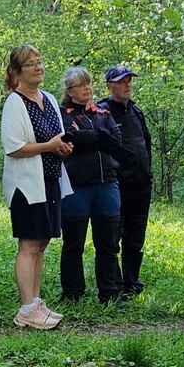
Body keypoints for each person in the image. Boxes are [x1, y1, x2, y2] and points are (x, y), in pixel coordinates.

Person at [0, 45, 72, 329]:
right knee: (29, 244)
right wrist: (49, 147)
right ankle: (26, 308)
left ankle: (36, 302)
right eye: (30, 64)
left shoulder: (49, 98)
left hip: (49, 181)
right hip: (26, 186)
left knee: (41, 243)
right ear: (17, 72)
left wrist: (62, 148)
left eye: (40, 62)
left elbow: (58, 137)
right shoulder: (14, 103)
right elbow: (13, 147)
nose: (38, 67)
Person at [58, 66, 124, 303]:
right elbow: (70, 137)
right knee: (73, 244)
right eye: (81, 85)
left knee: (108, 244)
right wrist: (100, 135)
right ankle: (72, 294)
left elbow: (116, 141)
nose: (87, 88)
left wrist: (92, 134)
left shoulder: (102, 112)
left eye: (89, 83)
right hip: (76, 187)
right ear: (69, 91)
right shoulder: (63, 113)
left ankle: (109, 293)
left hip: (107, 184)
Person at [104, 65, 156, 297]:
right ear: (109, 86)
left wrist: (148, 174)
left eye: (129, 80)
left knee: (136, 238)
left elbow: (146, 144)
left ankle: (131, 282)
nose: (127, 85)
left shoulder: (136, 111)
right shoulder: (102, 112)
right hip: (117, 185)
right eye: (121, 81)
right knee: (113, 237)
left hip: (141, 184)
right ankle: (114, 284)